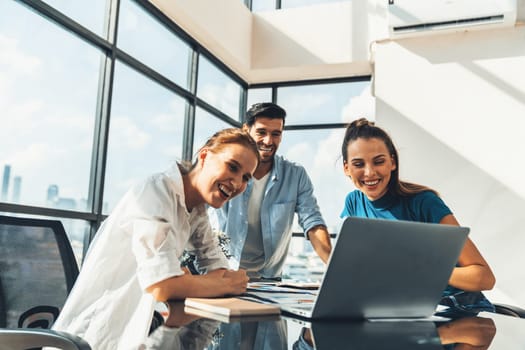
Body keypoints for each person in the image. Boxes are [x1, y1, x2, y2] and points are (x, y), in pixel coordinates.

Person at [51, 128, 260, 349]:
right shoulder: (156, 192)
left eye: (245, 178)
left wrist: (189, 282)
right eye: (232, 167)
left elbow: (220, 271)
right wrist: (188, 282)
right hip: (97, 336)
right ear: (205, 156)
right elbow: (161, 285)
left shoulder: (197, 210)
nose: (237, 183)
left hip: (137, 332)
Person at [340, 118, 496, 310]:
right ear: (346, 168)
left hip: (455, 308)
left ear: (392, 162)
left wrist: (420, 271)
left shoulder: (424, 202)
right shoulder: (353, 203)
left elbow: (485, 278)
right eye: (358, 164)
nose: (369, 172)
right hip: (402, 309)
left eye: (379, 161)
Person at [212, 102, 332, 280]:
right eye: (261, 132)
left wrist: (333, 265)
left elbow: (313, 222)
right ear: (246, 130)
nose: (268, 141)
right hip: (223, 273)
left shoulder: (295, 175)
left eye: (276, 134)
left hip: (269, 279)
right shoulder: (227, 170)